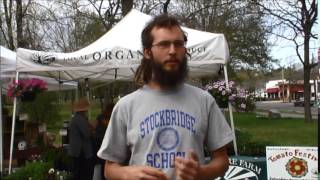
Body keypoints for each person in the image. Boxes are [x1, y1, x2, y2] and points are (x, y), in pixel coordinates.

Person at [97, 14, 234, 180]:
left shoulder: (204, 100)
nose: (172, 51)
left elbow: (222, 161)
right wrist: (128, 173)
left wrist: (201, 173)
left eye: (178, 44)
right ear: (148, 52)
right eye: (163, 44)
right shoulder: (126, 106)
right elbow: (109, 168)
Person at [68, 97, 94, 180]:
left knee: (79, 173)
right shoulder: (79, 119)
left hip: (77, 151)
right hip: (81, 151)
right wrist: (92, 129)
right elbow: (86, 134)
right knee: (84, 173)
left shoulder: (76, 118)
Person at [92, 103, 115, 180]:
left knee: (101, 162)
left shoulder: (100, 117)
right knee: (105, 161)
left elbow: (94, 127)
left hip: (99, 142)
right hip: (104, 142)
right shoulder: (112, 118)